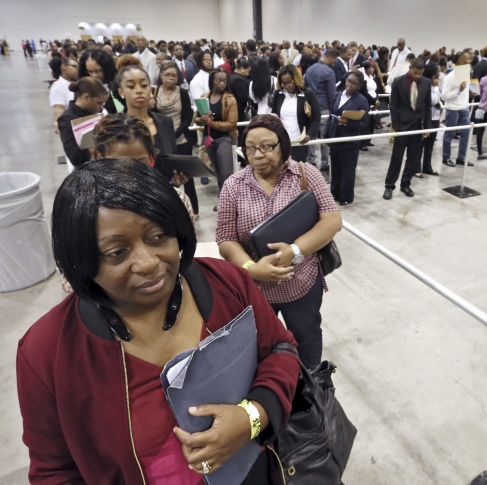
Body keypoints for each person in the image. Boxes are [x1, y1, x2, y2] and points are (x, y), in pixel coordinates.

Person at [18, 158, 299, 483]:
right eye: (117, 252)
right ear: (81, 258)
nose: (148, 263)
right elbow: (54, 472)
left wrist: (252, 417)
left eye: (158, 237)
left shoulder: (227, 284)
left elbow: (280, 349)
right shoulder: (47, 352)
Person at [217, 115, 342, 368]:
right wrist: (252, 269)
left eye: (266, 146)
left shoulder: (306, 175)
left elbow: (331, 220)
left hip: (303, 282)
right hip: (256, 289)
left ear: (283, 144)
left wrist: (295, 250)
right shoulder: (233, 185)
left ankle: (311, 388)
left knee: (306, 337)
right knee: (260, 344)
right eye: (250, 148)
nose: (258, 155)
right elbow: (226, 238)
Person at [383, 58, 431, 200]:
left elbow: (428, 106)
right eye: (415, 72)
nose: (417, 76)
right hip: (402, 126)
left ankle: (406, 184)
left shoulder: (426, 83)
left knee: (413, 158)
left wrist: (427, 127)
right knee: (396, 158)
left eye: (420, 74)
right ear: (410, 68)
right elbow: (393, 106)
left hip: (417, 127)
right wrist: (396, 125)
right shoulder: (398, 81)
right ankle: (389, 186)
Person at [155, 61, 199, 214]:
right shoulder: (155, 92)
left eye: (174, 75)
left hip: (181, 139)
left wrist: (177, 133)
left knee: (186, 176)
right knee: (166, 175)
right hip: (161, 140)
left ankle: (193, 209)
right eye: (167, 75)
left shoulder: (182, 92)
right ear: (161, 76)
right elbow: (153, 115)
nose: (171, 78)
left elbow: (187, 117)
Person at [326, 71, 370, 205]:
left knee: (348, 169)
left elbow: (364, 123)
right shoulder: (337, 95)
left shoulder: (362, 101)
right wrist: (326, 135)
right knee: (335, 167)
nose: (350, 85)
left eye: (354, 83)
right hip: (335, 138)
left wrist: (348, 123)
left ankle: (346, 196)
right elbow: (331, 116)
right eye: (349, 81)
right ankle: (334, 193)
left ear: (360, 86)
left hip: (349, 140)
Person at [195, 68, 238, 193]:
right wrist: (201, 120)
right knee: (218, 172)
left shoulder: (230, 99)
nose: (222, 83)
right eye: (219, 80)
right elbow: (196, 119)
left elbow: (231, 124)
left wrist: (210, 123)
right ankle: (223, 200)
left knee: (226, 174)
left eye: (224, 81)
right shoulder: (204, 97)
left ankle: (230, 203)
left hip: (225, 139)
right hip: (209, 139)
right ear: (212, 81)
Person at [271, 65, 321, 163]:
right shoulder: (279, 94)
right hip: (281, 141)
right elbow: (274, 113)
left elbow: (316, 118)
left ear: (296, 79)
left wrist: (309, 135)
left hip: (299, 142)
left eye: (290, 82)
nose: (287, 85)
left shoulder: (307, 93)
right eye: (284, 83)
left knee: (297, 171)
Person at [56, 77, 109, 167]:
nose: (101, 107)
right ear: (86, 97)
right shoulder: (66, 120)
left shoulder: (96, 114)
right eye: (99, 103)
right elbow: (75, 158)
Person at [303, 48, 339, 170]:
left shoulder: (309, 69)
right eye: (333, 60)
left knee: (310, 136)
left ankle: (311, 162)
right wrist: (333, 110)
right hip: (323, 108)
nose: (334, 62)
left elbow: (304, 88)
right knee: (325, 137)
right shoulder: (329, 72)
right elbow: (331, 94)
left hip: (310, 108)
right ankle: (324, 163)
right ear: (329, 58)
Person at [441, 51, 473, 167]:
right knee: (449, 134)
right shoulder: (449, 77)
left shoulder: (465, 73)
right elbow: (444, 96)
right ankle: (446, 157)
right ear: (459, 61)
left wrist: (471, 94)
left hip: (464, 108)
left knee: (466, 134)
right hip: (453, 109)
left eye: (469, 59)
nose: (469, 61)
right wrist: (458, 90)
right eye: (467, 59)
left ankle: (461, 158)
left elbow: (464, 92)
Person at [419, 63, 442, 177]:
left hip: (436, 117)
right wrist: (434, 87)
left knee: (430, 145)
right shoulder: (425, 84)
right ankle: (416, 168)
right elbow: (432, 100)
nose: (440, 71)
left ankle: (427, 167)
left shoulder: (436, 84)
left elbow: (439, 99)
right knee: (420, 145)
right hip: (426, 118)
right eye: (438, 70)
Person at [78, 48, 117, 113]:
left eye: (98, 71)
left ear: (106, 68)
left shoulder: (116, 86)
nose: (94, 75)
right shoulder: (82, 89)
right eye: (90, 72)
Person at [49, 57, 78, 124]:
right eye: (74, 66)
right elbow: (59, 115)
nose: (77, 69)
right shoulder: (58, 87)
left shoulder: (77, 83)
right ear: (64, 67)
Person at [230, 57, 252, 123]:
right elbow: (243, 98)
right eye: (248, 71)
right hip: (238, 113)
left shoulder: (231, 76)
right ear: (242, 69)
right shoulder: (239, 80)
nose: (248, 74)